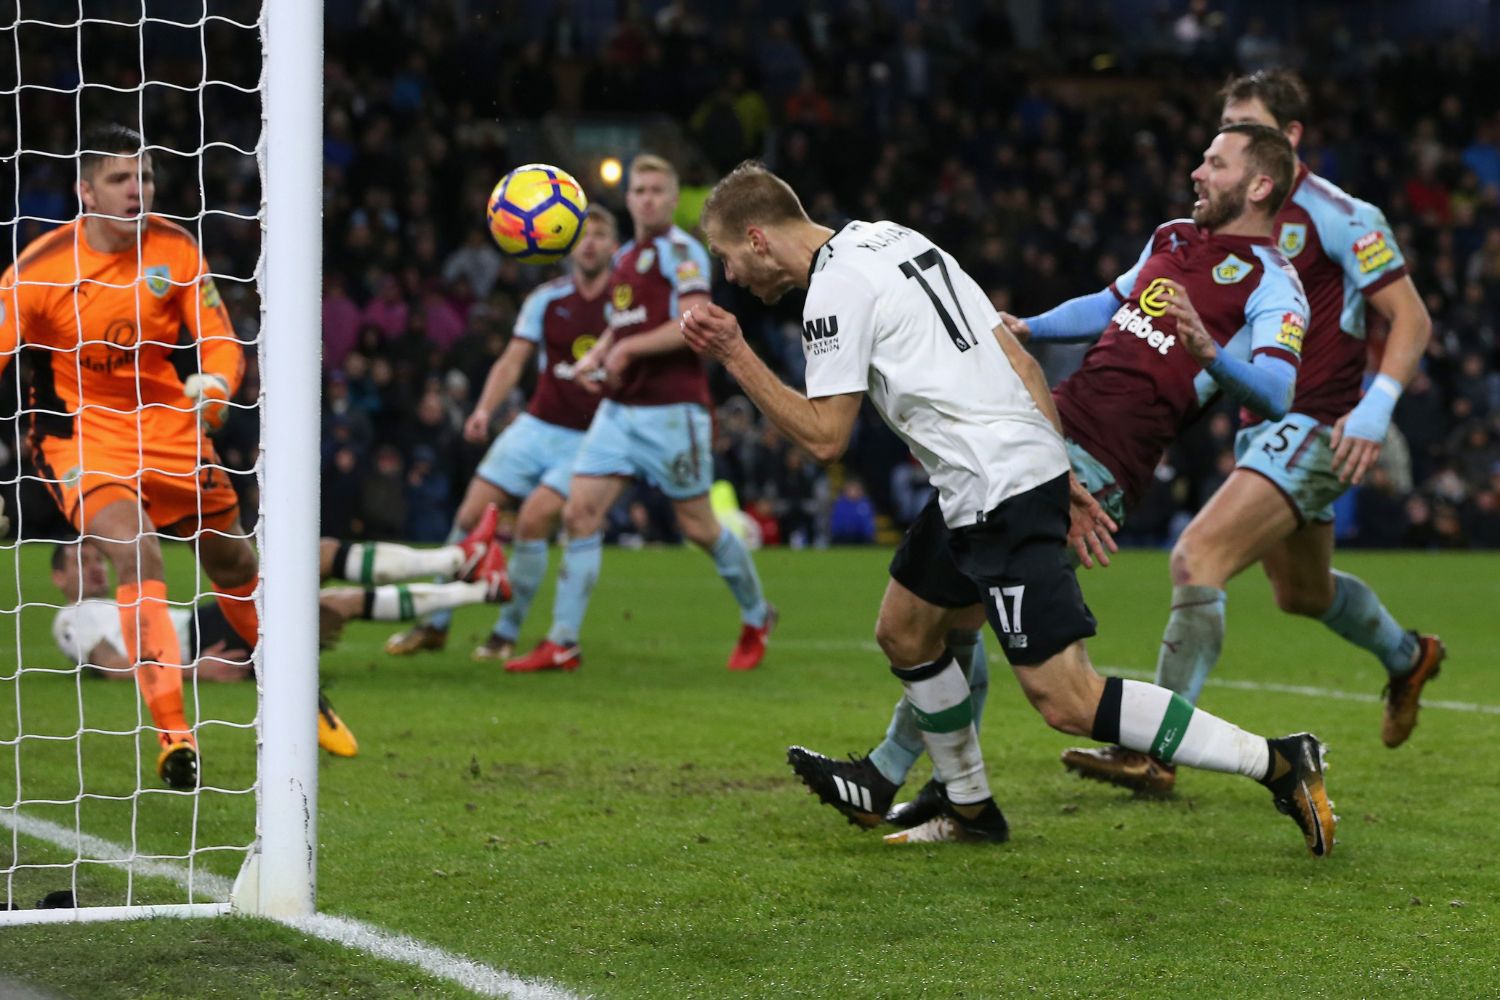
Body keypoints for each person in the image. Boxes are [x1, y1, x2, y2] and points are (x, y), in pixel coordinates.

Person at [683, 160, 1336, 856]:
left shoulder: (834, 291)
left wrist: (735, 353)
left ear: (757, 239)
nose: (730, 277)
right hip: (992, 474)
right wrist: (1058, 466)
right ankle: (966, 805)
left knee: (1067, 700)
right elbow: (1013, 352)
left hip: (999, 489)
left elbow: (823, 436)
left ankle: (1278, 759)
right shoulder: (893, 238)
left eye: (726, 258)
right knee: (906, 630)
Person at [1064, 70, 1443, 797]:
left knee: (1195, 557)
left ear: (1287, 139)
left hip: (1320, 426)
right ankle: (1407, 655)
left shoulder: (1343, 213)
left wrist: (1376, 404)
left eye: (1242, 126)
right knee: (1302, 592)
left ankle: (1155, 752)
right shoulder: (1225, 231)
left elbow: (1413, 319)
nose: (1222, 144)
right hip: (1267, 426)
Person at [0, 124, 264, 789]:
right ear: (84, 190)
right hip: (82, 437)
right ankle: (175, 734)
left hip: (171, 426)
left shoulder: (175, 246)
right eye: (120, 179)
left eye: (144, 178)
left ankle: (284, 681)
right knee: (136, 549)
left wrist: (218, 386)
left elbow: (221, 343)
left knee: (233, 559)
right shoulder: (36, 273)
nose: (136, 191)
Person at [505, 154, 774, 673]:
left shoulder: (682, 251)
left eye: (656, 190)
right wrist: (601, 353)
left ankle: (757, 615)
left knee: (698, 526)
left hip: (672, 411)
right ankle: (562, 640)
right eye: (639, 190)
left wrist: (626, 352)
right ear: (628, 199)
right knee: (579, 512)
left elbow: (694, 323)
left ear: (673, 200)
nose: (646, 198)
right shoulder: (624, 257)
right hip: (620, 409)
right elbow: (622, 324)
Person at [49, 510, 510, 758]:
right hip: (209, 638)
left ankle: (474, 581)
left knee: (330, 591)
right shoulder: (73, 617)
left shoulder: (115, 600)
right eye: (80, 561)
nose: (94, 567)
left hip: (208, 624)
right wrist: (197, 670)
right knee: (323, 570)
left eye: (95, 558)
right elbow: (111, 669)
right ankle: (460, 567)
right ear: (58, 578)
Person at [385, 205, 619, 662]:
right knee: (471, 516)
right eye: (583, 234)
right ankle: (434, 622)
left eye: (601, 234)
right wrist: (484, 409)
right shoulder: (546, 299)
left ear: (614, 246)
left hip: (592, 437)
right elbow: (513, 359)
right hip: (536, 425)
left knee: (533, 520)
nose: (590, 242)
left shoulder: (626, 303)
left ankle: (505, 632)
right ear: (569, 243)